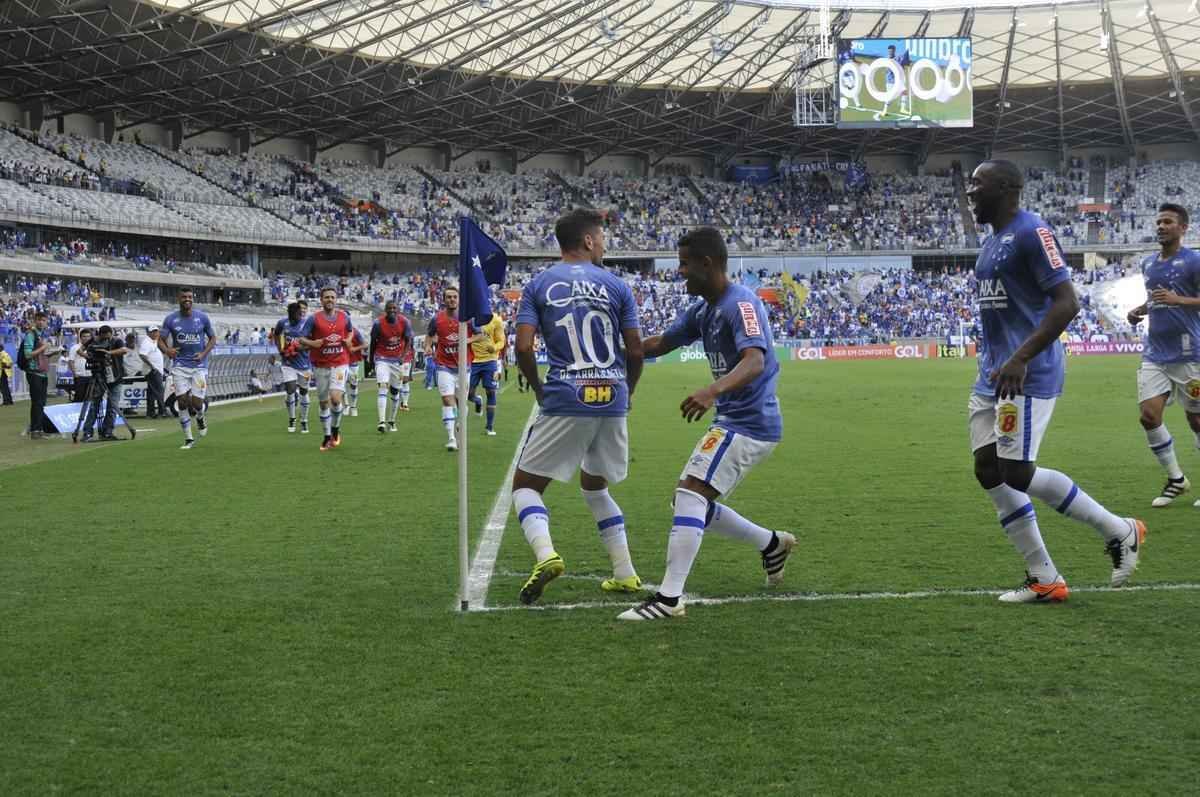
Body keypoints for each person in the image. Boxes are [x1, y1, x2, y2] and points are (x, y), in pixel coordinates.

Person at [964, 160, 1145, 603]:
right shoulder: (989, 245)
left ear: (1007, 189)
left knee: (1017, 471)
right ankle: (1044, 577)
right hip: (993, 374)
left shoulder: (1032, 232)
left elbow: (1068, 302)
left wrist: (1022, 357)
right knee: (988, 469)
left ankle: (1119, 529)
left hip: (1026, 371)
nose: (970, 192)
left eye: (978, 184)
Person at [617, 228, 795, 621]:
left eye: (684, 263)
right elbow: (661, 344)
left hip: (750, 422)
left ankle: (668, 599)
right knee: (691, 500)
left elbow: (755, 361)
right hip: (735, 420)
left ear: (707, 264)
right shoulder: (704, 309)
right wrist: (615, 351)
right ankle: (771, 545)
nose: (680, 271)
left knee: (690, 495)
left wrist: (711, 391)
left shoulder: (740, 304)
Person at [510, 208, 644, 605]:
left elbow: (522, 347)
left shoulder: (538, 284)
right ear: (587, 240)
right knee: (595, 484)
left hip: (567, 394)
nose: (604, 244)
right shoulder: (618, 285)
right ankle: (625, 574)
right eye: (601, 237)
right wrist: (628, 390)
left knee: (525, 487)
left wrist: (538, 388)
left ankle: (546, 554)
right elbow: (635, 349)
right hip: (612, 397)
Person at [1124, 203, 1200, 508]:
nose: (1161, 226)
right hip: (1155, 353)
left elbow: (1177, 297)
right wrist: (1139, 310)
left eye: (1167, 222)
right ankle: (1176, 479)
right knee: (1149, 416)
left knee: (1196, 419)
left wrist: (1177, 299)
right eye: (1158, 222)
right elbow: (1155, 298)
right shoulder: (1148, 264)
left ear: (1182, 228)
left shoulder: (1194, 261)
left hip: (1189, 352)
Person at [296, 286, 353, 451]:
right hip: (320, 365)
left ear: (336, 300)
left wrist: (348, 341)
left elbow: (349, 332)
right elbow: (301, 339)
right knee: (323, 404)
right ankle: (327, 435)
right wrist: (313, 343)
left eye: (332, 297)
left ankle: (335, 428)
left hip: (340, 363)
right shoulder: (314, 319)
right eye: (326, 297)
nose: (330, 300)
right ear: (321, 300)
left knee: (335, 399)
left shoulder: (344, 317)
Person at [159, 288, 217, 450]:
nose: (187, 299)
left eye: (190, 297)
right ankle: (188, 438)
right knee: (182, 402)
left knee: (197, 403)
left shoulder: (202, 318)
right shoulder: (170, 319)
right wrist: (167, 351)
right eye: (184, 297)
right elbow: (160, 340)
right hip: (179, 366)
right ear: (178, 298)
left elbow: (213, 338)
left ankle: (200, 416)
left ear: (193, 299)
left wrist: (204, 353)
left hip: (199, 366)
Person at [425, 286, 473, 451]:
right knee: (447, 399)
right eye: (448, 297)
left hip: (463, 367)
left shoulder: (467, 318)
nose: (452, 299)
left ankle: (460, 425)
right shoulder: (437, 319)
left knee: (461, 404)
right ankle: (451, 438)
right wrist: (428, 346)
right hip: (443, 366)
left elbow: (481, 334)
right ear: (444, 300)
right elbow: (429, 334)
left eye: (454, 297)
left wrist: (468, 340)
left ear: (459, 299)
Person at [369, 300, 414, 434]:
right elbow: (373, 342)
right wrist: (371, 360)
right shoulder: (378, 323)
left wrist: (403, 356)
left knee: (395, 393)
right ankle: (381, 421)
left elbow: (408, 341)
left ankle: (392, 420)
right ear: (386, 310)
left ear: (398, 309)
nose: (392, 310)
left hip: (397, 361)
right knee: (383, 387)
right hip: (382, 358)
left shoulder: (404, 322)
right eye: (390, 308)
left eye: (395, 308)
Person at [79, 325, 129, 441]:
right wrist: (89, 357)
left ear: (111, 334)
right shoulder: (94, 341)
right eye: (104, 338)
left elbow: (124, 350)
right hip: (99, 377)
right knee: (94, 406)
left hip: (116, 377)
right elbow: (79, 350)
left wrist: (108, 352)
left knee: (113, 407)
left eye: (108, 337)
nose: (106, 339)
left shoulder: (117, 340)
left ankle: (107, 432)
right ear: (99, 335)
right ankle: (87, 432)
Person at [273, 301, 313, 434]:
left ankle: (304, 420)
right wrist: (280, 349)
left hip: (304, 364)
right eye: (291, 315)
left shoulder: (306, 324)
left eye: (296, 315)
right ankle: (292, 418)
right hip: (288, 363)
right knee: (290, 389)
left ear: (299, 313)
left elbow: (313, 343)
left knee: (303, 392)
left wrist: (298, 347)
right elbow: (276, 334)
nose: (293, 318)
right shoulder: (283, 323)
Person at [467, 310, 505, 436]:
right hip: (472, 361)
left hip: (490, 361)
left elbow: (501, 341)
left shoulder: (496, 319)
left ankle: (489, 427)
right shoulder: (469, 318)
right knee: (468, 393)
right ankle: (477, 400)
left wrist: (494, 348)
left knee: (491, 392)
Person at [20, 312, 58, 438]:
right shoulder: (31, 335)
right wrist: (44, 347)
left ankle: (39, 429)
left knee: (41, 402)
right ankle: (35, 430)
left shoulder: (40, 335)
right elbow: (28, 354)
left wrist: (52, 352)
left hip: (42, 373)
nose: (42, 322)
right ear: (35, 321)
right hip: (34, 372)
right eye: (39, 320)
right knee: (37, 402)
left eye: (44, 320)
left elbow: (41, 355)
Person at [139, 326, 166, 418]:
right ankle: (162, 411)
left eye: (157, 331)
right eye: (153, 332)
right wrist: (152, 366)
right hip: (153, 371)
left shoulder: (153, 341)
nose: (156, 333)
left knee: (151, 393)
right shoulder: (147, 342)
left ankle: (150, 413)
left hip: (155, 370)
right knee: (159, 391)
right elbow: (142, 355)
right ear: (149, 333)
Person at [345, 327, 366, 416]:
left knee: (353, 385)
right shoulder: (336, 330)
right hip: (340, 364)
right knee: (340, 385)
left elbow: (365, 344)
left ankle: (353, 407)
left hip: (353, 363)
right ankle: (346, 405)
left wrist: (355, 348)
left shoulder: (355, 331)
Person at [68, 328, 92, 403]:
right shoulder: (74, 348)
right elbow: (71, 361)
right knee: (79, 397)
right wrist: (75, 374)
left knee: (90, 398)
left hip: (91, 376)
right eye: (84, 336)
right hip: (80, 376)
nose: (86, 338)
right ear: (80, 337)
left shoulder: (93, 347)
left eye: (88, 336)